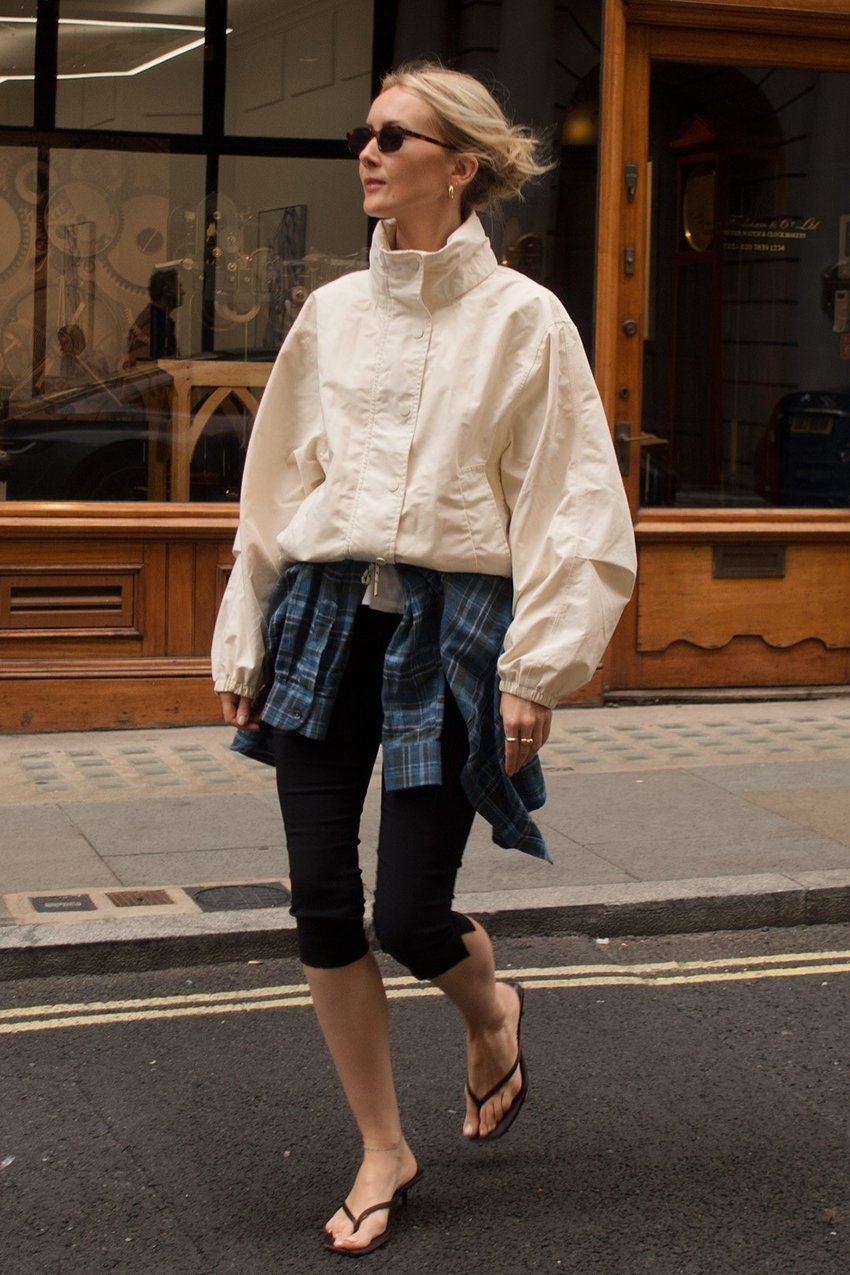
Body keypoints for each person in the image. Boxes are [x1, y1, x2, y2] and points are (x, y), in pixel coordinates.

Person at [211, 62, 636, 1256]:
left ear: (458, 166)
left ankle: (491, 1010)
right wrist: (245, 627)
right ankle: (383, 1145)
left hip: (453, 632)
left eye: (393, 135)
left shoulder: (524, 320)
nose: (367, 150)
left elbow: (573, 504)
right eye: (364, 131)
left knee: (407, 911)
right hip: (324, 620)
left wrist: (538, 667)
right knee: (320, 904)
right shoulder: (332, 315)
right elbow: (273, 485)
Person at [125, 267, 181, 368]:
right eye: (179, 287)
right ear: (168, 291)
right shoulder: (154, 324)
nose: (183, 292)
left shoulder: (159, 320)